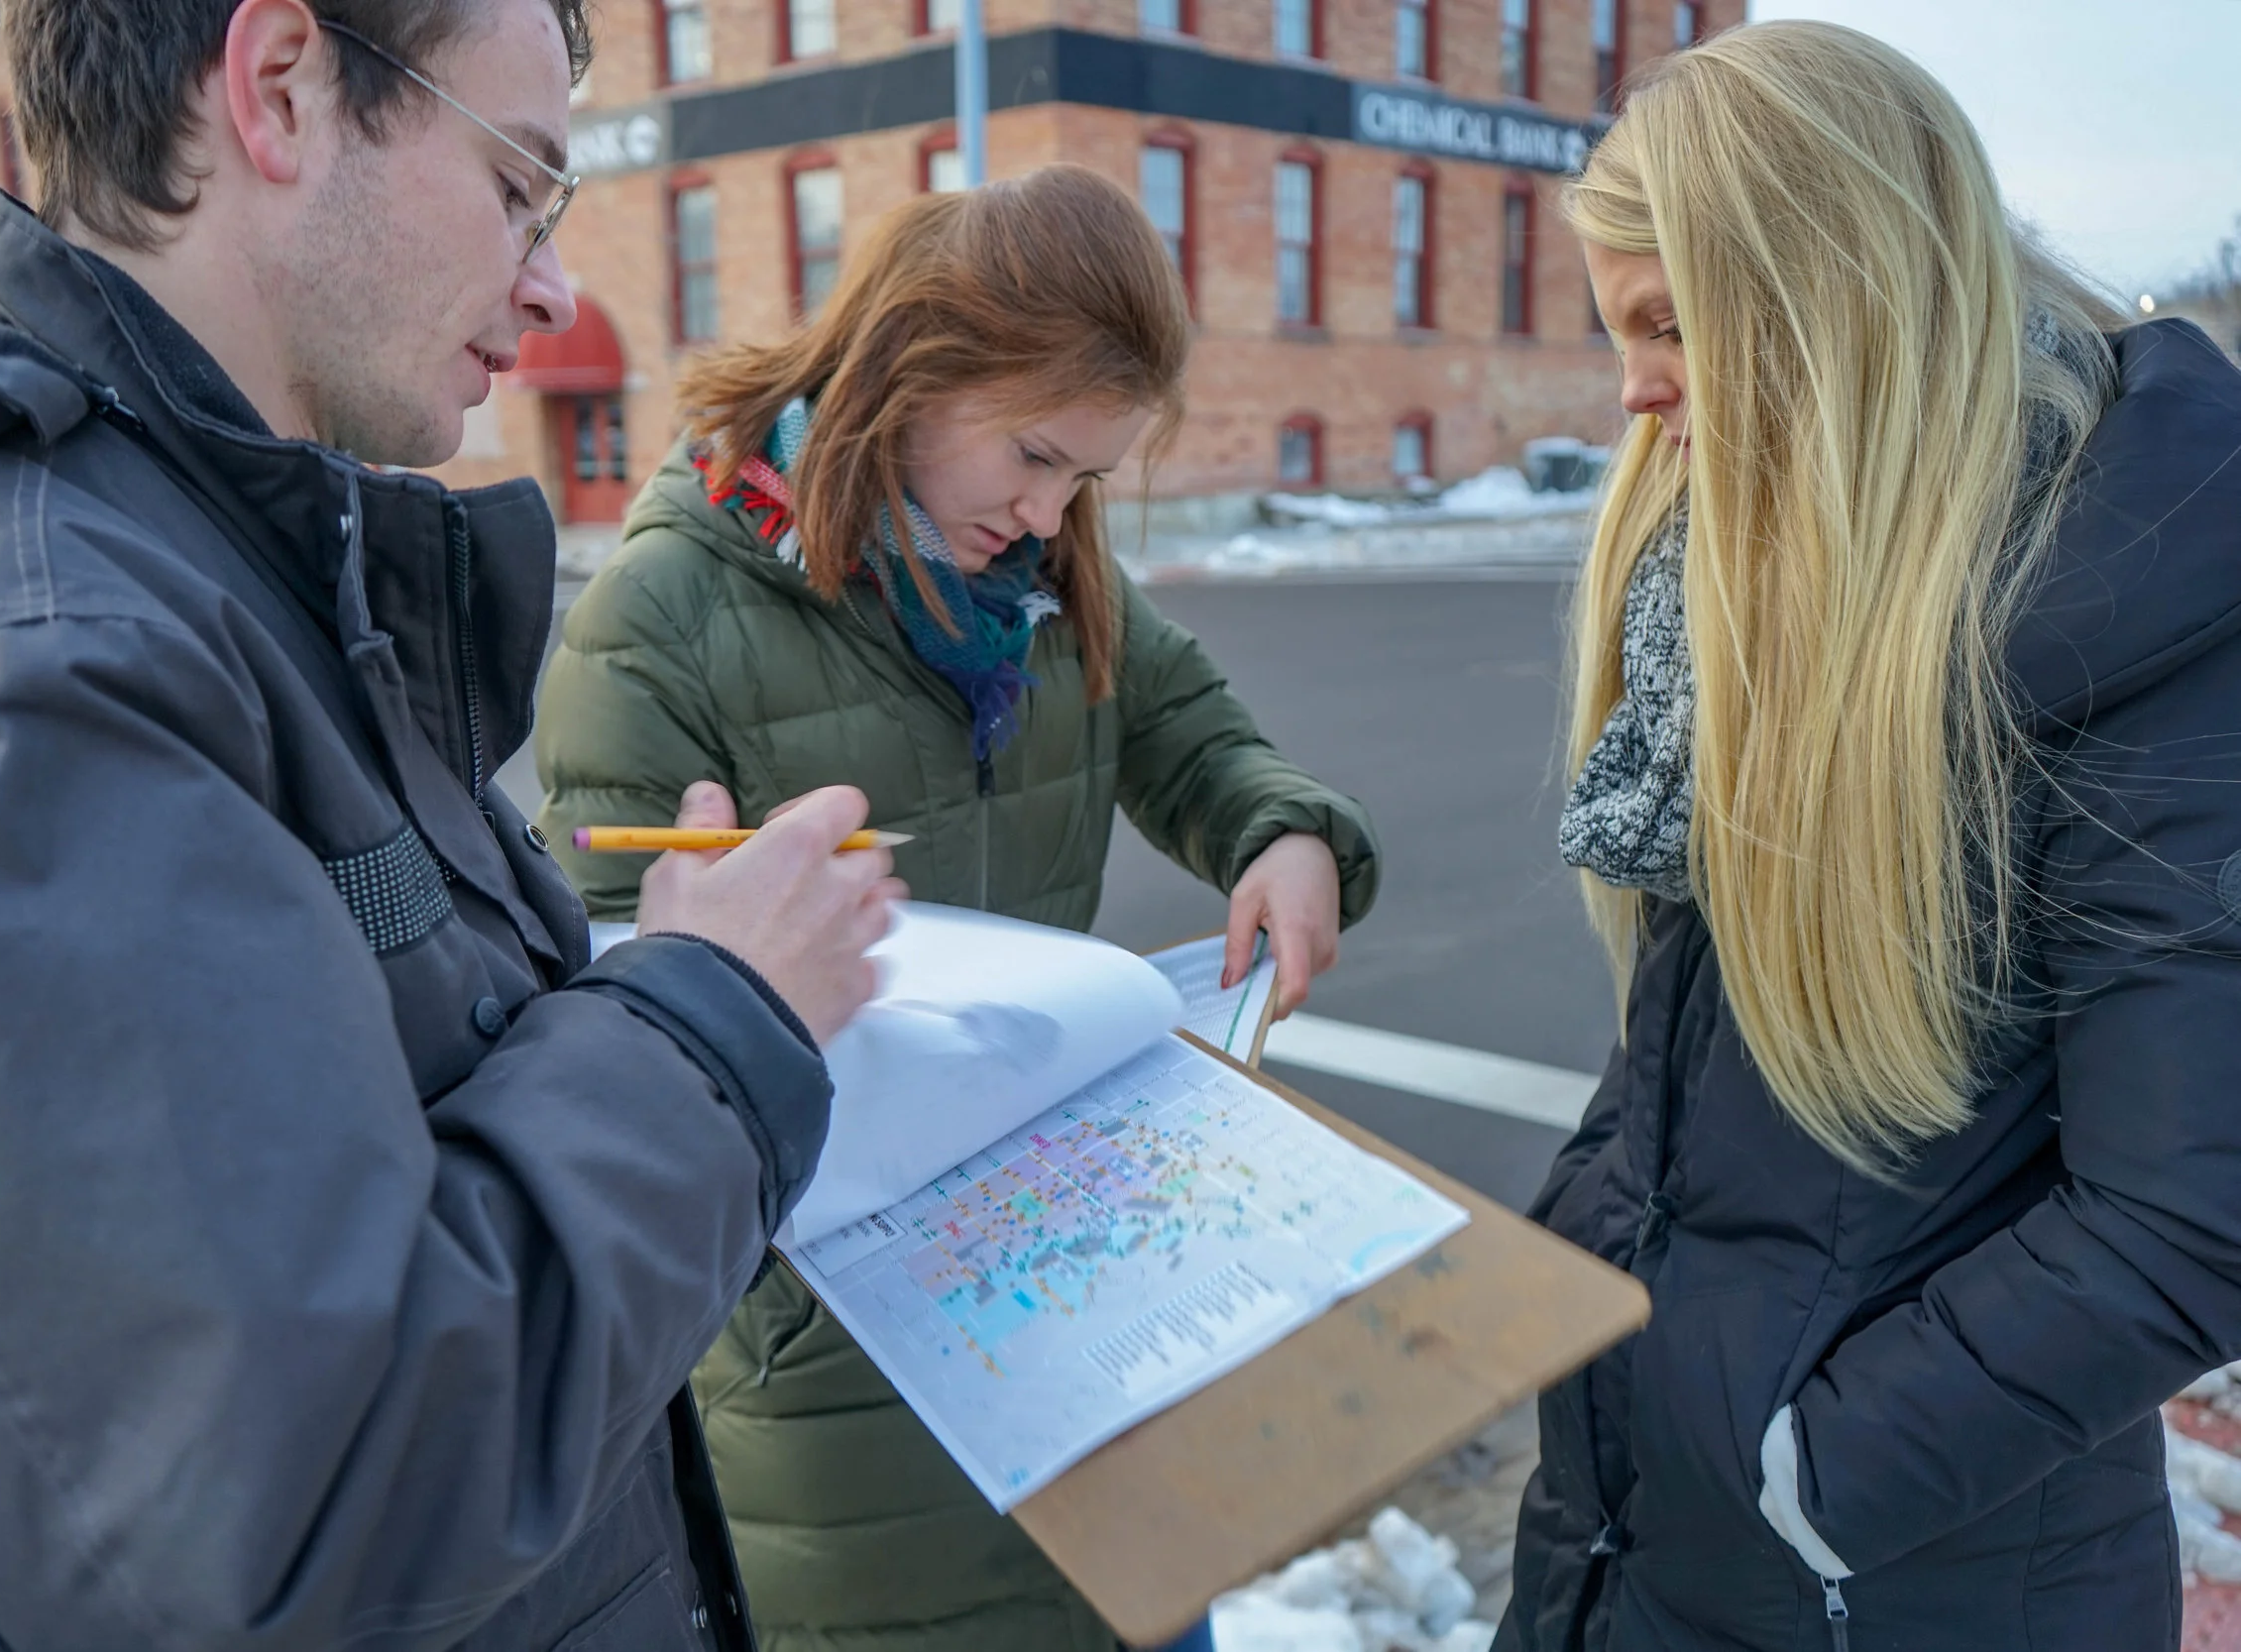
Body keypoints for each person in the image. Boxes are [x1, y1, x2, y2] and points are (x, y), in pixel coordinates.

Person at [0, 2, 905, 1648]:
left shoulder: (204, 566)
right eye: (516, 183)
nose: (550, 283)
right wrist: (717, 1017)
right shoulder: (22, 675)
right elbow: (309, 1498)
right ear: (283, 85)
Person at [531, 164, 1381, 1652]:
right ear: (914, 371)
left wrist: (1285, 830)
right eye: (1037, 455)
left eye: (1088, 479)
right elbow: (609, 1045)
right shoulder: (664, 621)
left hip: (1079, 1326)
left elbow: (1201, 736)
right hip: (837, 1380)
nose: (1051, 512)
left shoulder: (1046, 575)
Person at [1504, 20, 2241, 1652]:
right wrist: (1568, 1263)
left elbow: (2187, 1214)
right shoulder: (1760, 580)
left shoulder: (2149, 621)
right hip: (1643, 1534)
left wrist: (1805, 1477)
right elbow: (1682, 1054)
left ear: (1827, 294)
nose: (1628, 392)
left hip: (1906, 1575)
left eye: (1666, 325)